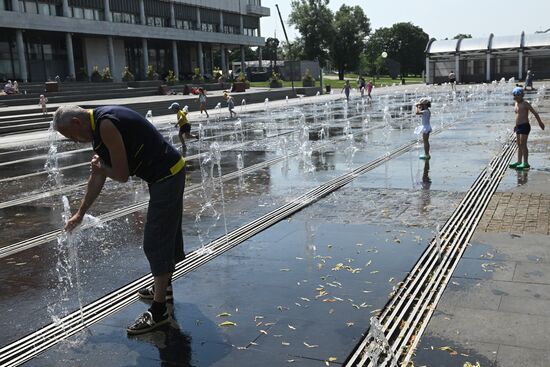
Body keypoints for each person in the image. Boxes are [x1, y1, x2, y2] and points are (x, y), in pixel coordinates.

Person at [53, 104, 186, 335]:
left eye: (71, 136)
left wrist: (103, 168)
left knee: (156, 241)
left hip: (168, 176)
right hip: (165, 175)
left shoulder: (106, 125)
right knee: (165, 236)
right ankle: (164, 290)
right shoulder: (99, 128)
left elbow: (121, 175)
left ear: (77, 123)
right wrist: (80, 213)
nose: (74, 142)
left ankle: (159, 311)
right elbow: (97, 177)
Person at [509, 87, 545, 170]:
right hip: (518, 127)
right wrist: (515, 126)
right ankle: (519, 161)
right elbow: (518, 115)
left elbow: (535, 113)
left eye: (517, 96)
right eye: (514, 96)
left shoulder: (525, 104)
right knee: (518, 145)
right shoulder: (516, 104)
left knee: (523, 144)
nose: (515, 98)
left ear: (522, 95)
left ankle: (525, 163)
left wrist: (540, 123)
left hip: (525, 126)